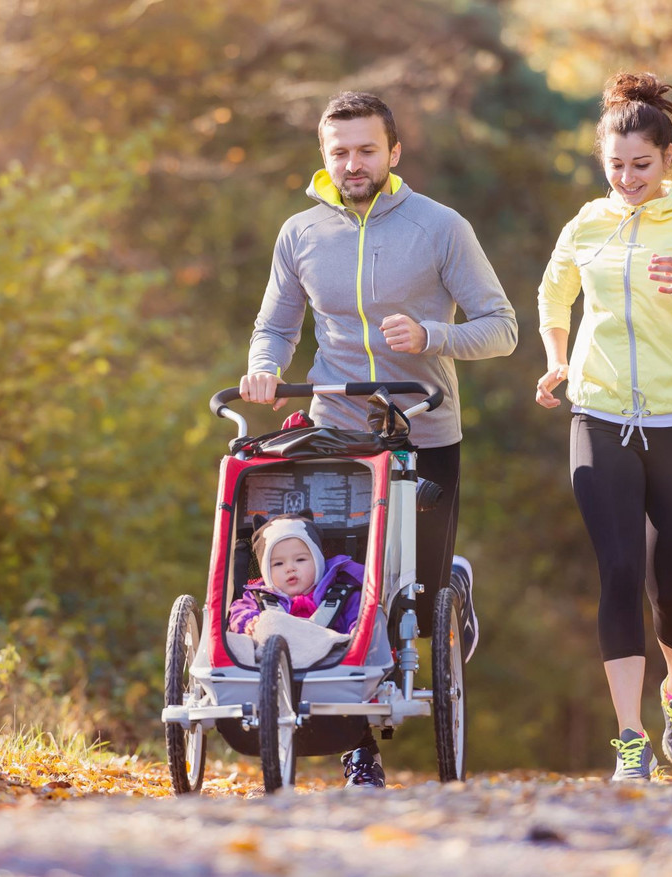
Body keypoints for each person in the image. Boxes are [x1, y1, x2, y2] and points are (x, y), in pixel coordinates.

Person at [239, 91, 518, 787]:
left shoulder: (440, 227)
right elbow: (275, 325)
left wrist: (432, 336)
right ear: (324, 157)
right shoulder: (301, 233)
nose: (352, 163)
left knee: (416, 607)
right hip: (337, 433)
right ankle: (360, 746)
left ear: (394, 153)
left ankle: (447, 582)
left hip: (424, 427)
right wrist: (266, 368)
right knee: (341, 591)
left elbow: (501, 326)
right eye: (339, 152)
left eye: (366, 150)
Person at [534, 72, 672, 781]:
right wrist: (558, 359)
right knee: (619, 571)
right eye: (615, 165)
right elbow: (552, 290)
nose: (627, 178)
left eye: (641, 165)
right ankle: (630, 738)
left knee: (669, 586)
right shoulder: (586, 224)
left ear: (668, 159)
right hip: (600, 413)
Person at [228, 513, 363, 636]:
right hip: (274, 657)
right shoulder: (256, 598)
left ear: (318, 563)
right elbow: (238, 611)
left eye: (300, 560)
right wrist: (250, 622)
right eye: (278, 564)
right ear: (267, 572)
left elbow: (358, 619)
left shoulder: (344, 596)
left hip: (332, 657)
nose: (290, 568)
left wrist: (356, 631)